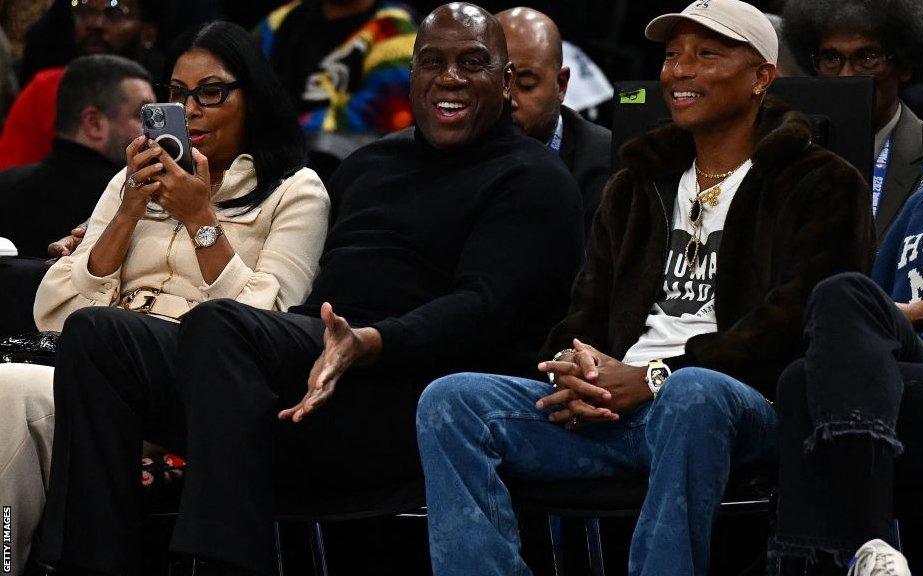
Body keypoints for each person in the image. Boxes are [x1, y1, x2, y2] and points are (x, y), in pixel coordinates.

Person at [37, 4, 584, 575]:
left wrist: (370, 341)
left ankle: (222, 564)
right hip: (316, 362)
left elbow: (485, 310)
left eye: (472, 63)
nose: (450, 77)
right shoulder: (369, 164)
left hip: (420, 392)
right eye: (433, 62)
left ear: (503, 79)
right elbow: (300, 287)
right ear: (413, 76)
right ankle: (93, 565)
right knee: (99, 335)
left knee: (220, 323)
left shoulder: (535, 179)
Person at [415, 1, 875, 575]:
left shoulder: (821, 183)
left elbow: (796, 326)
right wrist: (573, 367)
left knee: (695, 394)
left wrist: (657, 378)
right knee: (452, 401)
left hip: (738, 407)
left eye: (707, 54)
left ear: (761, 75)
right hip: (615, 406)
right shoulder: (637, 183)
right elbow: (586, 306)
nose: (680, 70)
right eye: (672, 54)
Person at [0, 21, 331, 576]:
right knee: (19, 386)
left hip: (199, 379)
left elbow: (268, 322)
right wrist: (130, 209)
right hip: (97, 368)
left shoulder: (295, 191)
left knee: (37, 373)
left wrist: (202, 221)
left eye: (211, 93)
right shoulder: (129, 182)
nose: (192, 110)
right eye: (177, 95)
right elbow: (55, 310)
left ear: (252, 98)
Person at [772, 5, 923, 576]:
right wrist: (902, 318)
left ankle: (854, 546)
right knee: (830, 319)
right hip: (920, 380)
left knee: (804, 387)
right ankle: (871, 552)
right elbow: (870, 313)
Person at [782, 0, 923, 243]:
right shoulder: (787, 154)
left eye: (867, 57)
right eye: (831, 58)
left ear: (905, 65)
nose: (846, 75)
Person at [0, 54, 154, 259]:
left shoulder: (5, 185)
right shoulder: (123, 200)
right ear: (94, 123)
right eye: (142, 116)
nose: (151, 132)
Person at [0, 0, 162, 170]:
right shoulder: (46, 87)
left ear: (148, 34)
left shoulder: (172, 90)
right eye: (84, 10)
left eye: (115, 13)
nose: (95, 23)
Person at [497, 7, 611, 235]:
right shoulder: (455, 146)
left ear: (561, 85)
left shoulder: (608, 164)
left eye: (526, 84)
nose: (508, 100)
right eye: (497, 83)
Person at [255, 0, 417, 133]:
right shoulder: (280, 20)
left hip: (348, 164)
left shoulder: (394, 27)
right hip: (267, 155)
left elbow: (385, 115)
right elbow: (241, 76)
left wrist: (283, 132)